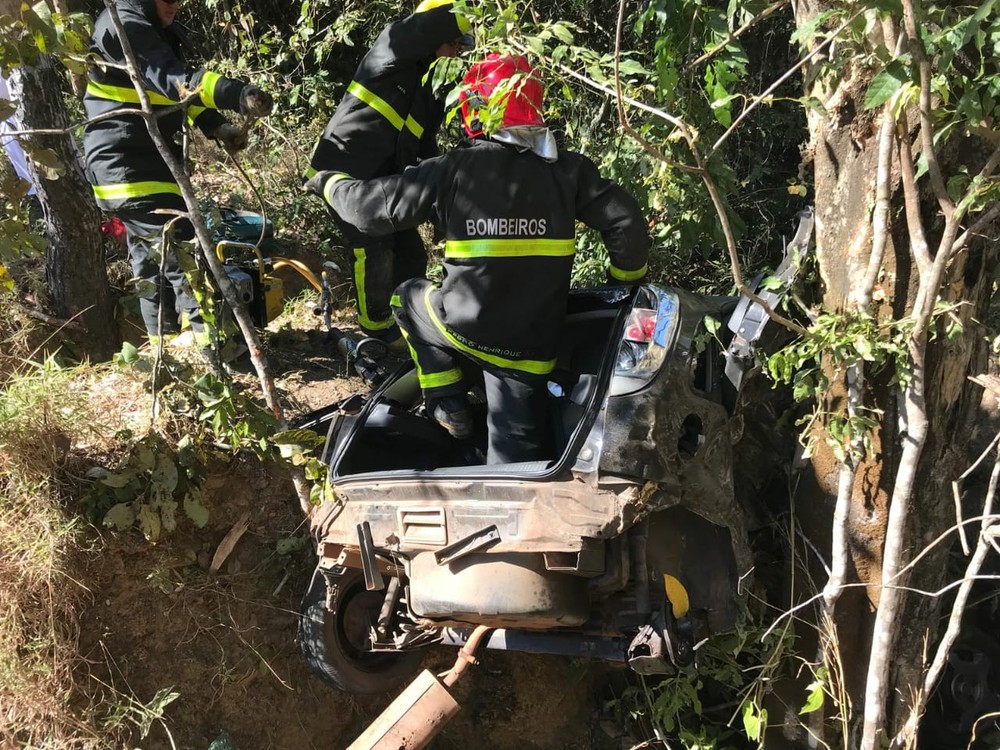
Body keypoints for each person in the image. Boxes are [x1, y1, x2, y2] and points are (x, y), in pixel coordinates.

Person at [307, 53, 651, 464]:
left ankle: (446, 398)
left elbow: (369, 210)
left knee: (406, 297)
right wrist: (623, 288)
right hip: (534, 349)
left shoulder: (455, 168)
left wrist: (329, 181)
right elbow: (626, 221)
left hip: (467, 328)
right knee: (516, 462)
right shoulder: (568, 170)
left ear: (476, 105)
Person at [83, 0, 273, 349]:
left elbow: (176, 95)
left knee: (151, 266)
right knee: (185, 259)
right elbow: (174, 80)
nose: (177, 5)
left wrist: (218, 127)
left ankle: (164, 351)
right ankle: (221, 353)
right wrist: (236, 93)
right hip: (128, 164)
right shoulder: (124, 25)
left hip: (134, 162)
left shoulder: (147, 24)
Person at [304, 0, 474, 351]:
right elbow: (425, 27)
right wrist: (477, 12)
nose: (457, 51)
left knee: (411, 253)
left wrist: (438, 196)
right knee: (373, 246)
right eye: (455, 42)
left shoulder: (427, 89)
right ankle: (377, 330)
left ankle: (407, 321)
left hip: (381, 185)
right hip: (342, 175)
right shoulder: (392, 49)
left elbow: (424, 148)